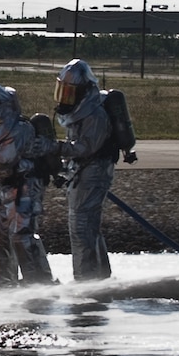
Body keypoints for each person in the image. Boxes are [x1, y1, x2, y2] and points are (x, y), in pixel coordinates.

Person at [0, 81, 55, 288]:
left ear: (1, 109)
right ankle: (3, 285)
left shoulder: (21, 129)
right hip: (6, 188)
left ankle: (40, 286)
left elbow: (6, 158)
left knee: (21, 235)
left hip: (27, 186)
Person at [53, 58, 131, 283]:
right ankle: (99, 278)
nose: (65, 97)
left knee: (82, 228)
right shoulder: (80, 112)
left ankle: (86, 281)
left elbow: (85, 148)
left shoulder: (94, 114)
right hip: (83, 173)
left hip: (95, 172)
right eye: (62, 91)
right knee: (86, 227)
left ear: (82, 90)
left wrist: (56, 147)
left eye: (69, 92)